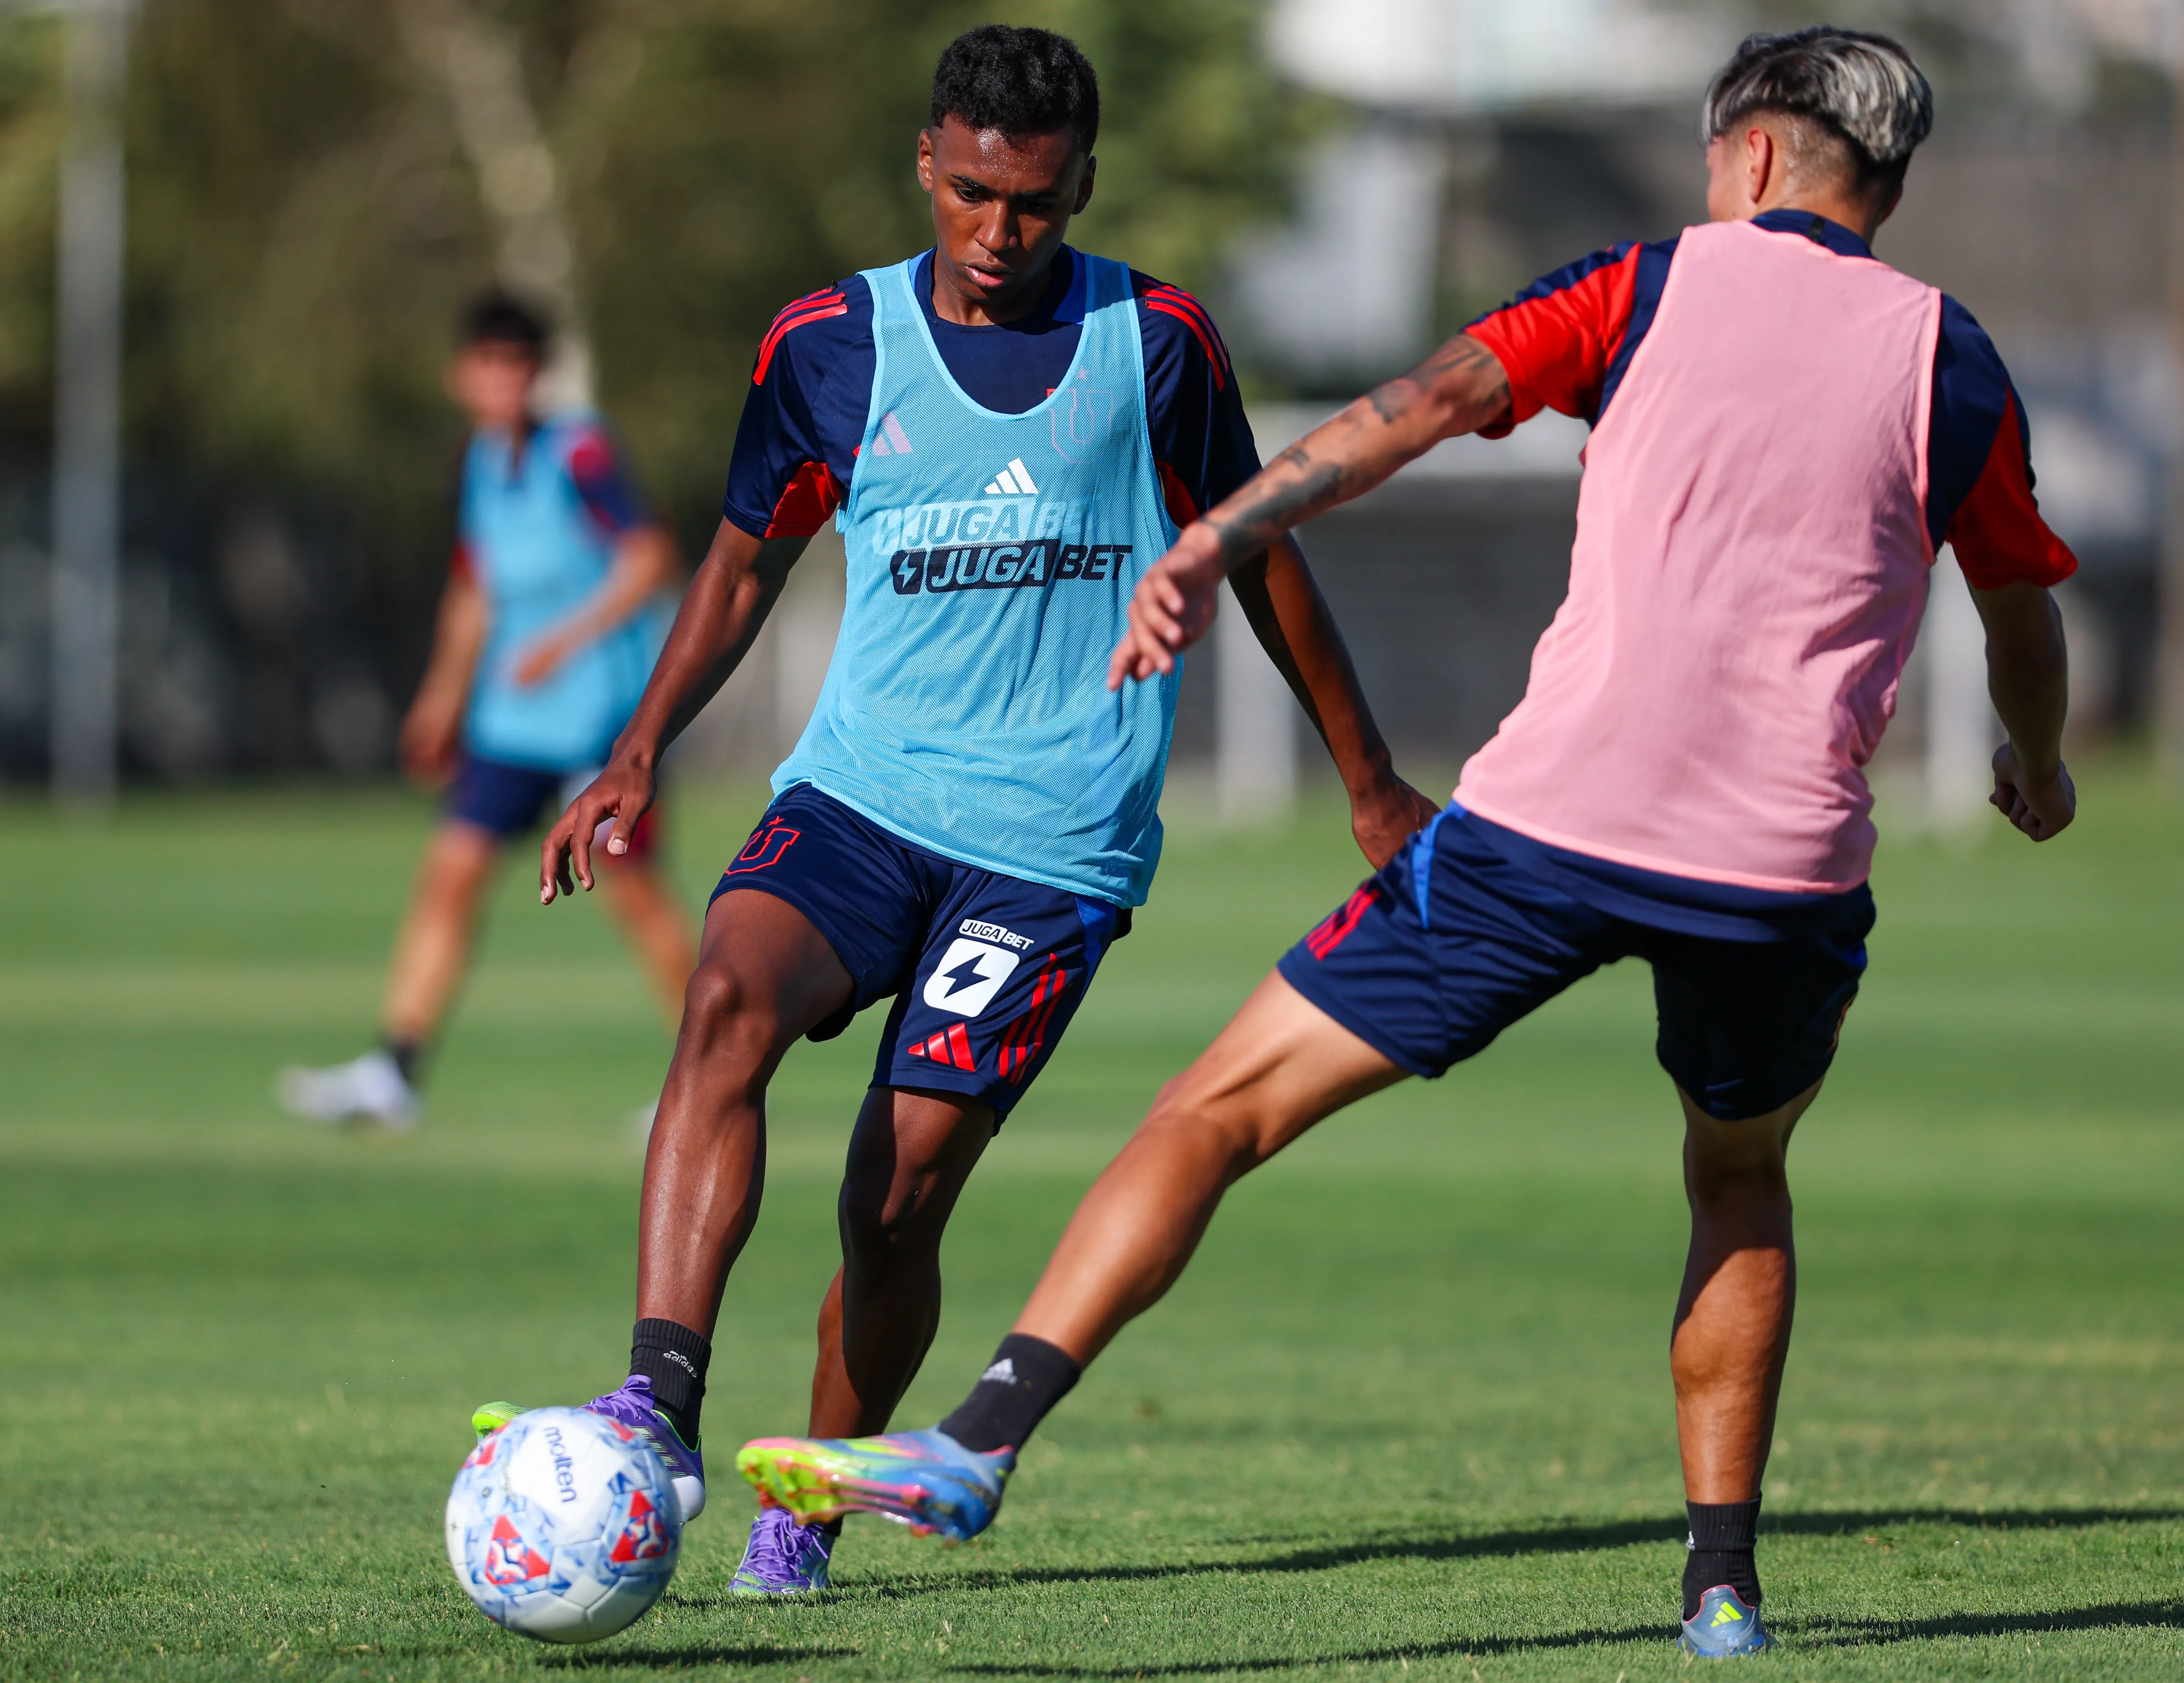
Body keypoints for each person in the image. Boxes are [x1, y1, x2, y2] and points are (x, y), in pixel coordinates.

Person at [734, 26, 2080, 1658]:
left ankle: (981, 1436)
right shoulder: (1957, 358)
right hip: (1784, 870)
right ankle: (1721, 1589)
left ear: (1753, 154)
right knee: (1739, 1174)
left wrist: (1219, 531)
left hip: (1552, 830)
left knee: (1215, 1110)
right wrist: (2042, 757)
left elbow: (1416, 406)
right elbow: (2020, 611)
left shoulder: (1649, 286)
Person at [496, 25, 1433, 1599]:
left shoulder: (1158, 345)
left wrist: (1369, 781)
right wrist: (641, 744)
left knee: (897, 1186)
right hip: (859, 797)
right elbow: (741, 561)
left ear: (1082, 186)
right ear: (929, 165)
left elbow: (1263, 553)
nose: (1004, 235)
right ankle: (653, 1405)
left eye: (1041, 205)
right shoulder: (826, 347)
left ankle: (807, 1501)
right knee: (724, 993)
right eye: (979, 196)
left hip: (1051, 843)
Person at [278, 290, 694, 1133]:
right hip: (513, 725)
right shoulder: (479, 461)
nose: (505, 380)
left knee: (635, 897)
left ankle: (708, 1084)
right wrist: (441, 698)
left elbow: (651, 558)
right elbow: (474, 589)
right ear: (462, 375)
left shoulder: (579, 453)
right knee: (450, 875)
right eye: (490, 364)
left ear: (536, 373)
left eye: (520, 364)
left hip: (598, 724)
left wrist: (565, 641)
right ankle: (392, 1069)